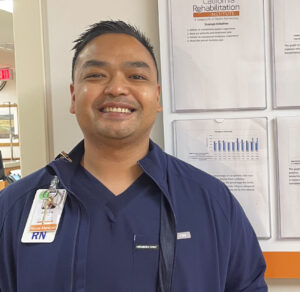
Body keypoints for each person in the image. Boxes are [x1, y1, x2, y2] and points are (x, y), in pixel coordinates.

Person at [0, 20, 267, 292]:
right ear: (73, 96)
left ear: (157, 97)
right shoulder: (13, 208)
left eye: (136, 77)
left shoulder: (213, 203)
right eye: (96, 75)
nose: (116, 88)